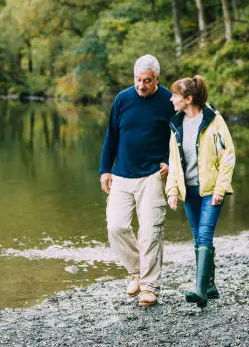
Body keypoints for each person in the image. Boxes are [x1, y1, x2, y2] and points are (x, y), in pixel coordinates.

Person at [99, 54, 175, 307]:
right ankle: (137, 272)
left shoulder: (168, 101)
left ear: (157, 79)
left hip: (153, 175)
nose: (141, 85)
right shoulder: (122, 99)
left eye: (147, 81)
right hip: (121, 174)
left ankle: (150, 287)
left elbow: (178, 137)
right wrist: (104, 170)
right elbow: (111, 136)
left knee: (151, 231)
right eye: (137, 80)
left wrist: (169, 161)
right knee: (116, 227)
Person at [165, 75, 236, 308]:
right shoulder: (176, 124)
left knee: (204, 234)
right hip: (189, 191)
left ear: (189, 98)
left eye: (176, 95)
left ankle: (199, 289)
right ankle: (210, 286)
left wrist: (221, 188)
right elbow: (174, 162)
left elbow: (228, 156)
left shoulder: (214, 120)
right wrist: (172, 191)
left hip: (211, 190)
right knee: (198, 237)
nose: (171, 99)